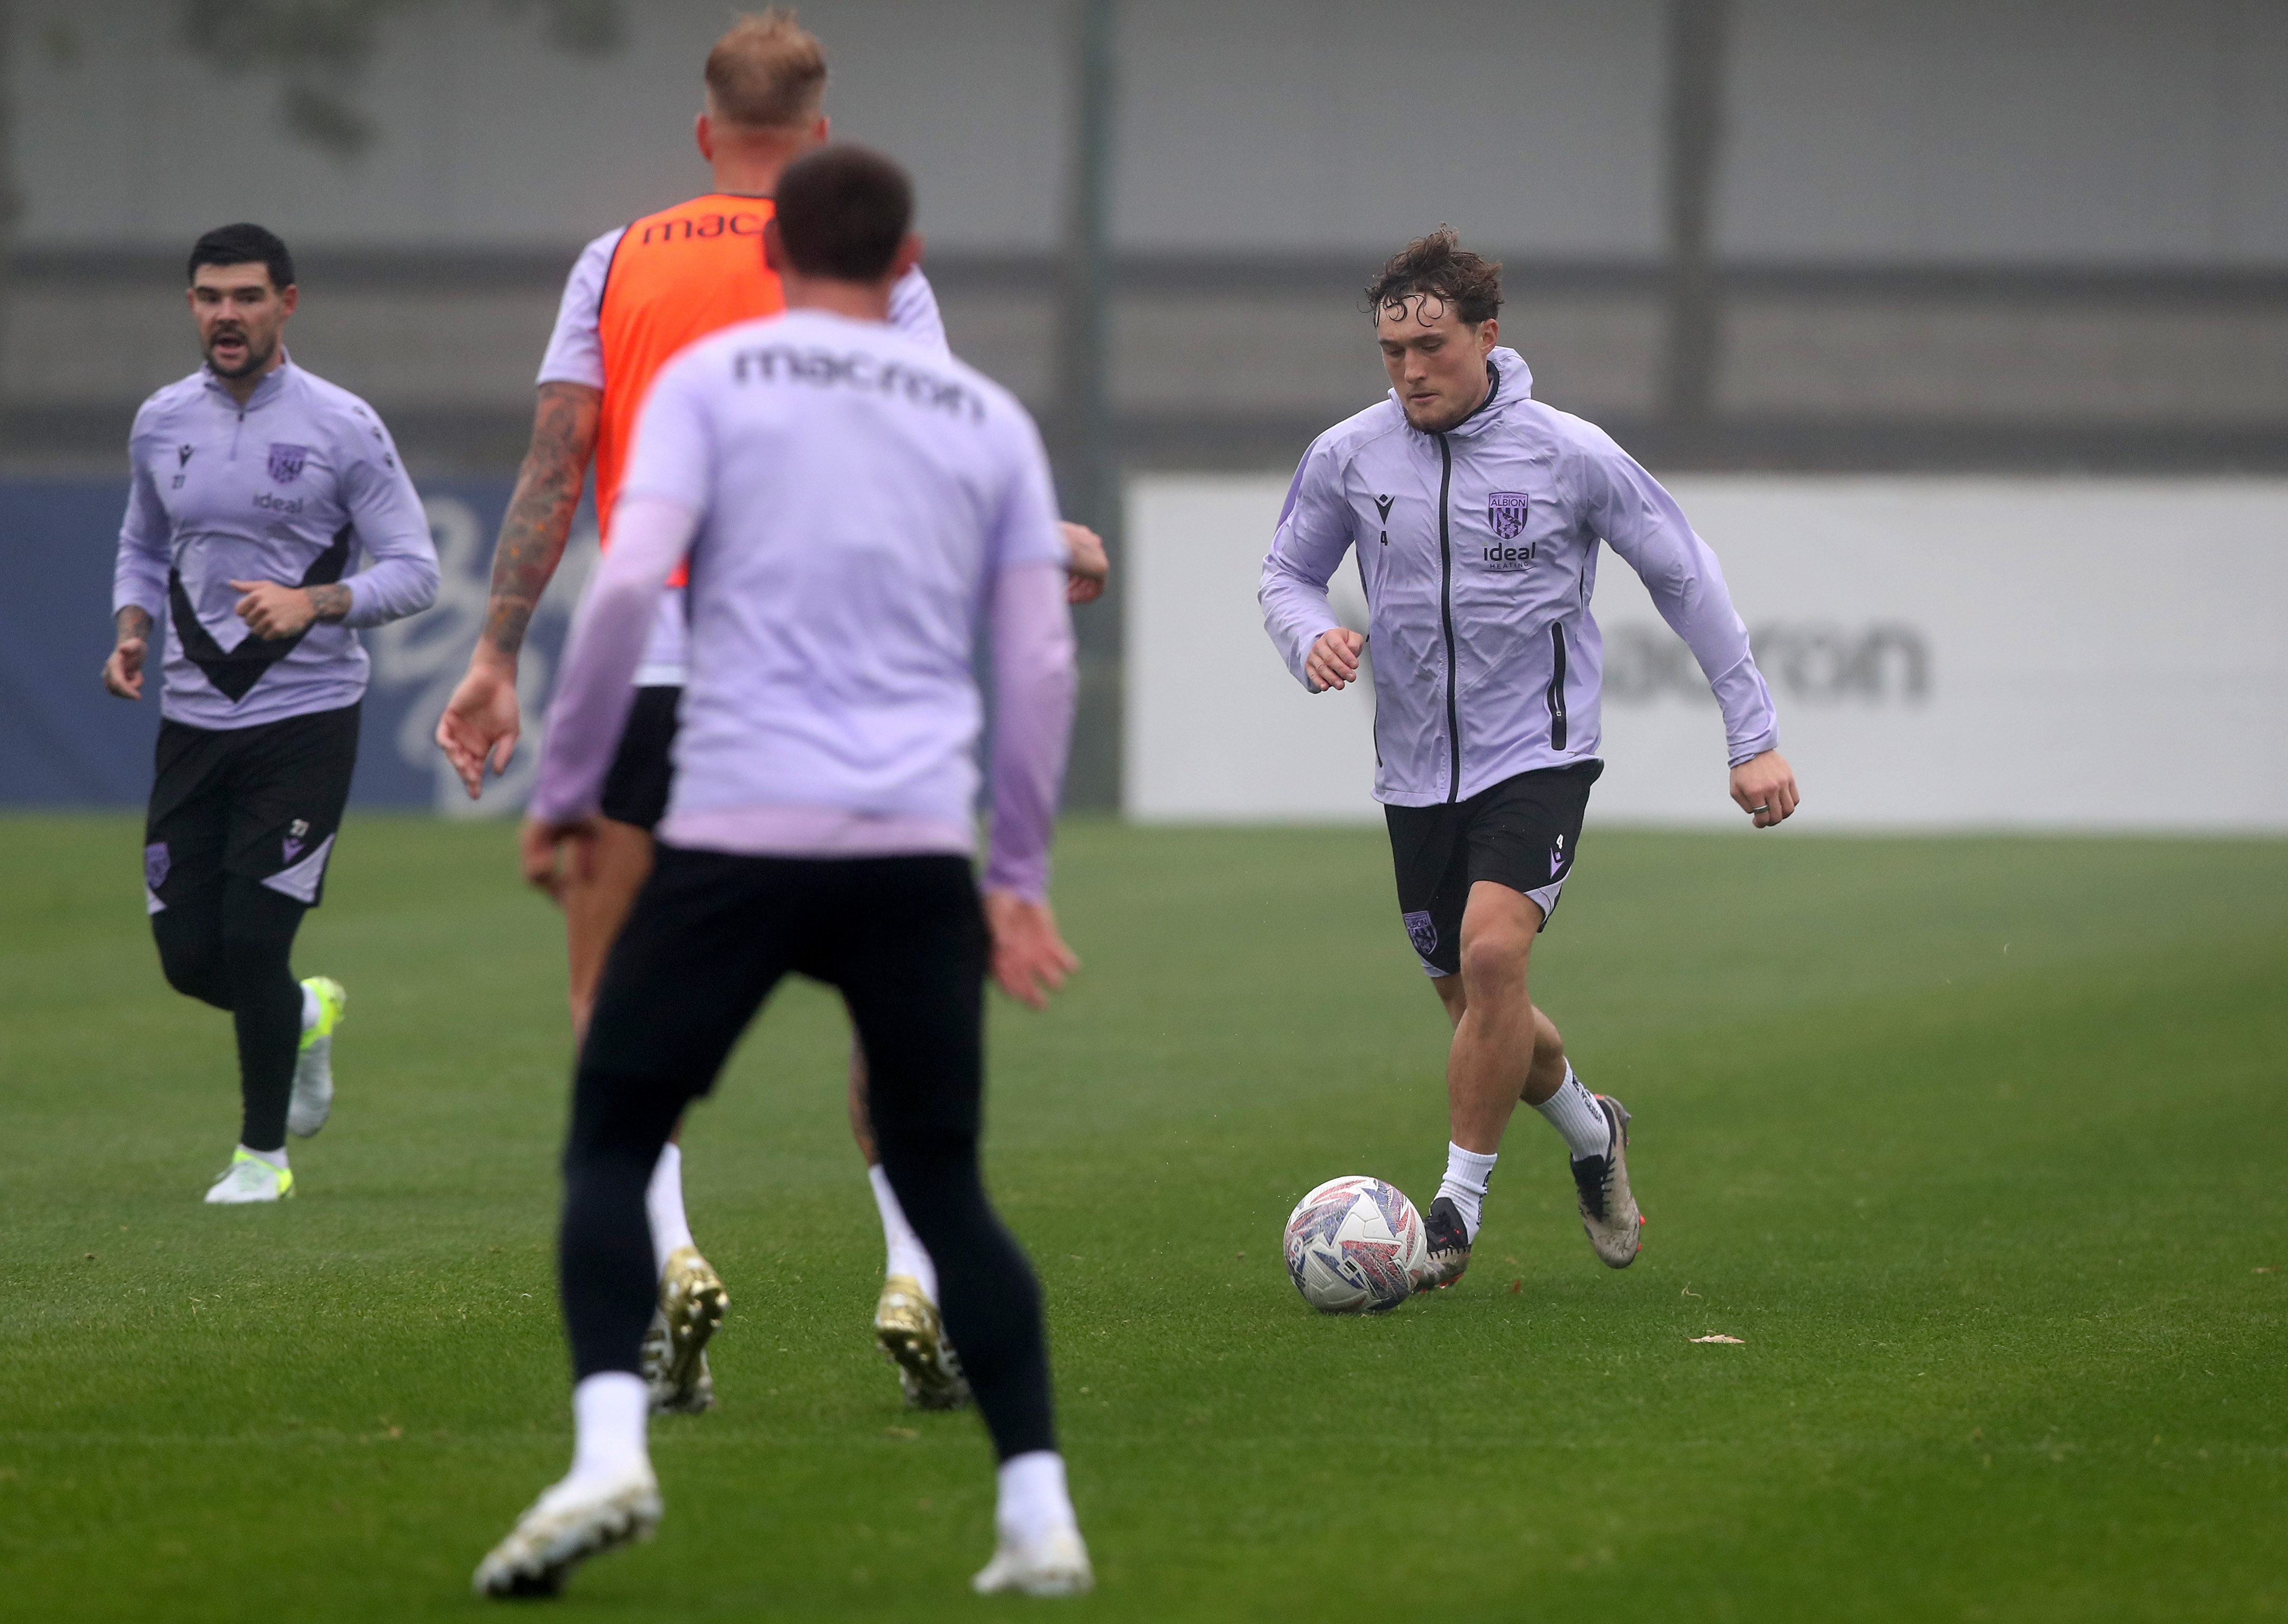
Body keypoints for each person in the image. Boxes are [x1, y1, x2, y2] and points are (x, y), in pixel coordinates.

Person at [434, 8, 1104, 1417]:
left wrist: (498, 651)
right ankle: (914, 1263)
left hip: (661, 668)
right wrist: (1044, 545)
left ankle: (669, 1252)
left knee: (613, 993)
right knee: (887, 990)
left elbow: (557, 460)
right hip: (846, 685)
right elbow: (926, 441)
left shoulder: (613, 259)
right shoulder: (860, 267)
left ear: (701, 130)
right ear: (816, 140)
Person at [1258, 229, 1798, 1290]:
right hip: (1414, 772)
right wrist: (1304, 633)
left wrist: (1755, 737)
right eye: (1390, 352)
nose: (1410, 370)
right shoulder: (1350, 454)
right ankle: (1592, 1127)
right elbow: (1285, 572)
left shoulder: (1569, 454)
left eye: (1431, 347)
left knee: (1497, 960)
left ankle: (1452, 1212)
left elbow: (1685, 578)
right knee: (1484, 1015)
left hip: (1537, 756)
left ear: (1486, 337)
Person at [106, 223, 439, 1203]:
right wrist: (131, 627)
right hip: (192, 719)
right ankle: (302, 1014)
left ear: (286, 304)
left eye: (247, 296)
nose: (225, 314)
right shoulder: (161, 421)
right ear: (192, 305)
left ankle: (262, 1159)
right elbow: (141, 543)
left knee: (254, 940)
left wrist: (316, 601)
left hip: (306, 719)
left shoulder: (343, 425)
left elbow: (415, 570)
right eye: (209, 296)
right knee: (188, 959)